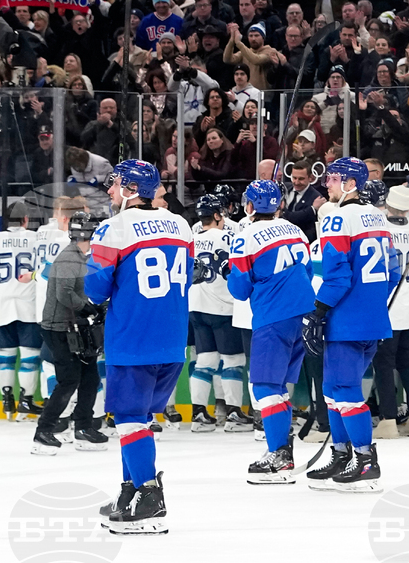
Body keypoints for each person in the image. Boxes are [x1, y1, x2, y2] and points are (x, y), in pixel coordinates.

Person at [87, 160, 194, 535]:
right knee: (138, 423)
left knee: (131, 421)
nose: (111, 191)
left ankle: (148, 497)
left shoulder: (113, 228)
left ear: (131, 189)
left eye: (115, 185)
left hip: (133, 337)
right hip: (172, 340)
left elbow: (95, 289)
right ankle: (129, 491)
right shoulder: (180, 224)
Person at [300, 157, 398, 493]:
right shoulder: (378, 218)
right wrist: (371, 302)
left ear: (351, 183)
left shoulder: (338, 217)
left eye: (333, 178)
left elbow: (338, 276)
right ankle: (342, 455)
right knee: (332, 390)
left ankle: (365, 460)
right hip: (372, 317)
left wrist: (316, 311)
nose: (326, 183)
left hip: (346, 318)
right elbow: (393, 272)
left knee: (343, 390)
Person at [226, 180, 315, 483]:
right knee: (278, 388)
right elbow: (309, 271)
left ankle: (279, 455)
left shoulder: (245, 235)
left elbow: (239, 289)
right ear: (278, 205)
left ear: (249, 206)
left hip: (273, 316)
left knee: (264, 387)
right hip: (304, 313)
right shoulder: (296, 230)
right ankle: (282, 451)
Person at [32, 212, 109, 455]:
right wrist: (88, 307)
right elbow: (64, 294)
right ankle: (43, 431)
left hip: (75, 325)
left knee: (90, 377)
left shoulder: (83, 257)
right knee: (68, 380)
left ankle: (84, 427)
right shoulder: (68, 258)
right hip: (59, 328)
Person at [188, 195, 251, 434]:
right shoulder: (229, 237)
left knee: (205, 361)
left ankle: (198, 414)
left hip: (196, 306)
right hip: (223, 307)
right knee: (234, 360)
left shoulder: (192, 239)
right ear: (216, 215)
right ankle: (234, 413)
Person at [0, 201, 41, 421]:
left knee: (5, 355)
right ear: (25, 220)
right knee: (30, 355)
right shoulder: (35, 239)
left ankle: (7, 402)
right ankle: (26, 400)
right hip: (28, 303)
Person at [373, 186, 409, 438]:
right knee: (408, 362)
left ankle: (388, 419)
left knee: (383, 364)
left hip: (387, 305)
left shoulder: (381, 229)